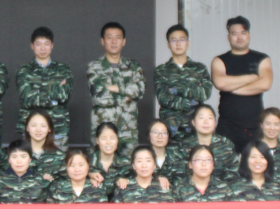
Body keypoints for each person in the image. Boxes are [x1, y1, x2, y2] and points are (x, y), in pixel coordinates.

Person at [211, 16, 273, 153]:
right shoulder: (219, 60)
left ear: (249, 35)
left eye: (243, 33)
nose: (239, 37)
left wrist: (232, 88)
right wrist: (252, 77)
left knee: (254, 165)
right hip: (227, 126)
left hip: (254, 127)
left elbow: (265, 84)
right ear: (229, 37)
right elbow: (220, 83)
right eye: (235, 33)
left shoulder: (262, 59)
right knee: (224, 165)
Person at [87, 22, 146, 159]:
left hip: (128, 132)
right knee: (100, 168)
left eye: (118, 37)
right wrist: (127, 94)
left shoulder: (133, 66)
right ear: (103, 41)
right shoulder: (94, 67)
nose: (114, 41)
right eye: (109, 37)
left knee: (129, 169)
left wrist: (116, 89)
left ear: (124, 41)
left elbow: (140, 90)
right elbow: (99, 97)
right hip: (102, 132)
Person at [16, 27, 73, 149]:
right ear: (32, 46)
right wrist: (54, 95)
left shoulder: (63, 69)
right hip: (31, 130)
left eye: (46, 44)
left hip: (58, 127)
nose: (43, 48)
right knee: (30, 161)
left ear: (52, 46)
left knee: (58, 161)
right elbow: (27, 99)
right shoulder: (24, 70)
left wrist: (37, 92)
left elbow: (65, 96)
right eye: (38, 44)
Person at [154, 24, 213, 140]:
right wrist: (191, 101)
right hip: (171, 128)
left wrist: (177, 90)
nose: (178, 44)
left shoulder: (199, 68)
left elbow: (205, 93)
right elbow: (163, 97)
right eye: (174, 40)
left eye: (182, 40)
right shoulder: (161, 70)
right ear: (168, 44)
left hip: (194, 128)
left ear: (188, 42)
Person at [173, 104, 239, 180]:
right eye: (201, 118)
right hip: (190, 186)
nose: (206, 122)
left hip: (221, 186)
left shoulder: (226, 144)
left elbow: (233, 172)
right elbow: (179, 173)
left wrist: (218, 185)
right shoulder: (184, 145)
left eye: (210, 118)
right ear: (193, 122)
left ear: (215, 122)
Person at [87, 122, 131, 198]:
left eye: (112, 138)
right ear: (97, 141)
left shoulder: (126, 163)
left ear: (117, 140)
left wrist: (125, 181)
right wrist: (87, 175)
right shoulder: (87, 163)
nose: (108, 142)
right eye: (104, 138)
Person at [20, 109, 65, 180]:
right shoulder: (17, 154)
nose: (38, 130)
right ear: (27, 128)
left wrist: (51, 182)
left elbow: (67, 183)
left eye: (43, 126)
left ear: (49, 128)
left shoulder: (60, 157)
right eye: (34, 125)